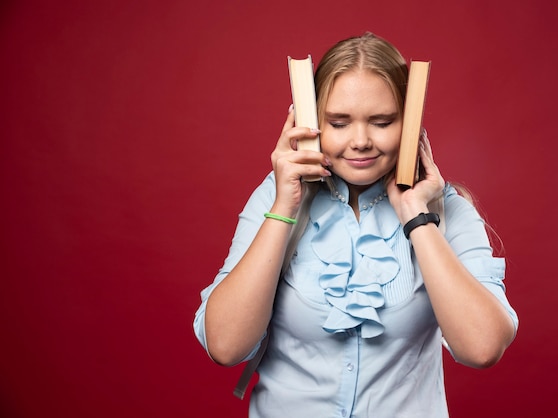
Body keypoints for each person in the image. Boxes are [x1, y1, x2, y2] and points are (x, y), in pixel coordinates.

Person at [194, 32, 518, 417]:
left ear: (410, 123)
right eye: (339, 122)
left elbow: (482, 348)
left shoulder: (447, 210)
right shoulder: (276, 197)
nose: (360, 141)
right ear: (310, 123)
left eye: (381, 121)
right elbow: (226, 346)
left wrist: (417, 217)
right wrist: (284, 206)